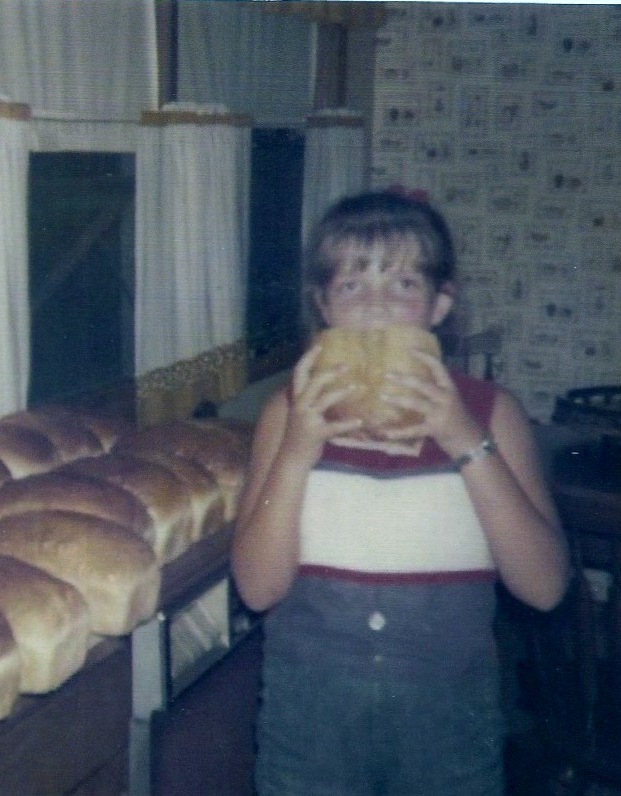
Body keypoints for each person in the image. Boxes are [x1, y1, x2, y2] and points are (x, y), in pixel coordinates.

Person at [232, 190, 569, 796]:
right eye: (353, 285)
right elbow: (258, 589)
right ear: (323, 305)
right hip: (309, 709)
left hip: (451, 707)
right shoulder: (287, 415)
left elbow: (544, 589)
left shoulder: (493, 414)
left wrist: (464, 439)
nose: (378, 307)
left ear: (441, 305)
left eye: (403, 284)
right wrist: (299, 450)